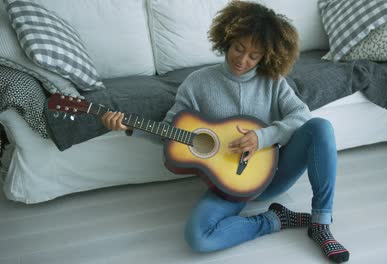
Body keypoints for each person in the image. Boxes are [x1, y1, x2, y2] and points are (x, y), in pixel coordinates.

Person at [101, 2, 349, 263]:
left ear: (266, 56)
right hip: (229, 184)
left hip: (275, 173)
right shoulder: (197, 83)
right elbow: (170, 132)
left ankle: (320, 223)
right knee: (198, 236)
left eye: (254, 55)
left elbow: (301, 115)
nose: (243, 60)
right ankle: (275, 219)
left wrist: (262, 137)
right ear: (226, 40)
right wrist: (131, 128)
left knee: (320, 127)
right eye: (238, 48)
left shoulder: (273, 81)